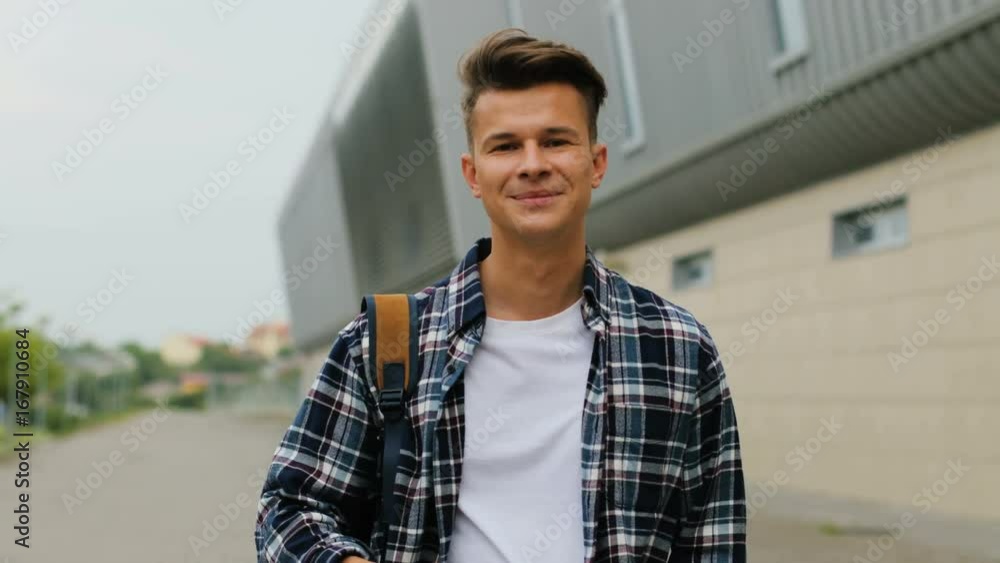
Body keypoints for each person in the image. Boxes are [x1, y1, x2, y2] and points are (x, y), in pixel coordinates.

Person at [256, 28, 746, 562]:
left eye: (556, 141)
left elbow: (713, 541)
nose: (532, 163)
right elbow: (289, 509)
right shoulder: (390, 342)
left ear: (596, 162)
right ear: (473, 173)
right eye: (506, 145)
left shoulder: (676, 347)